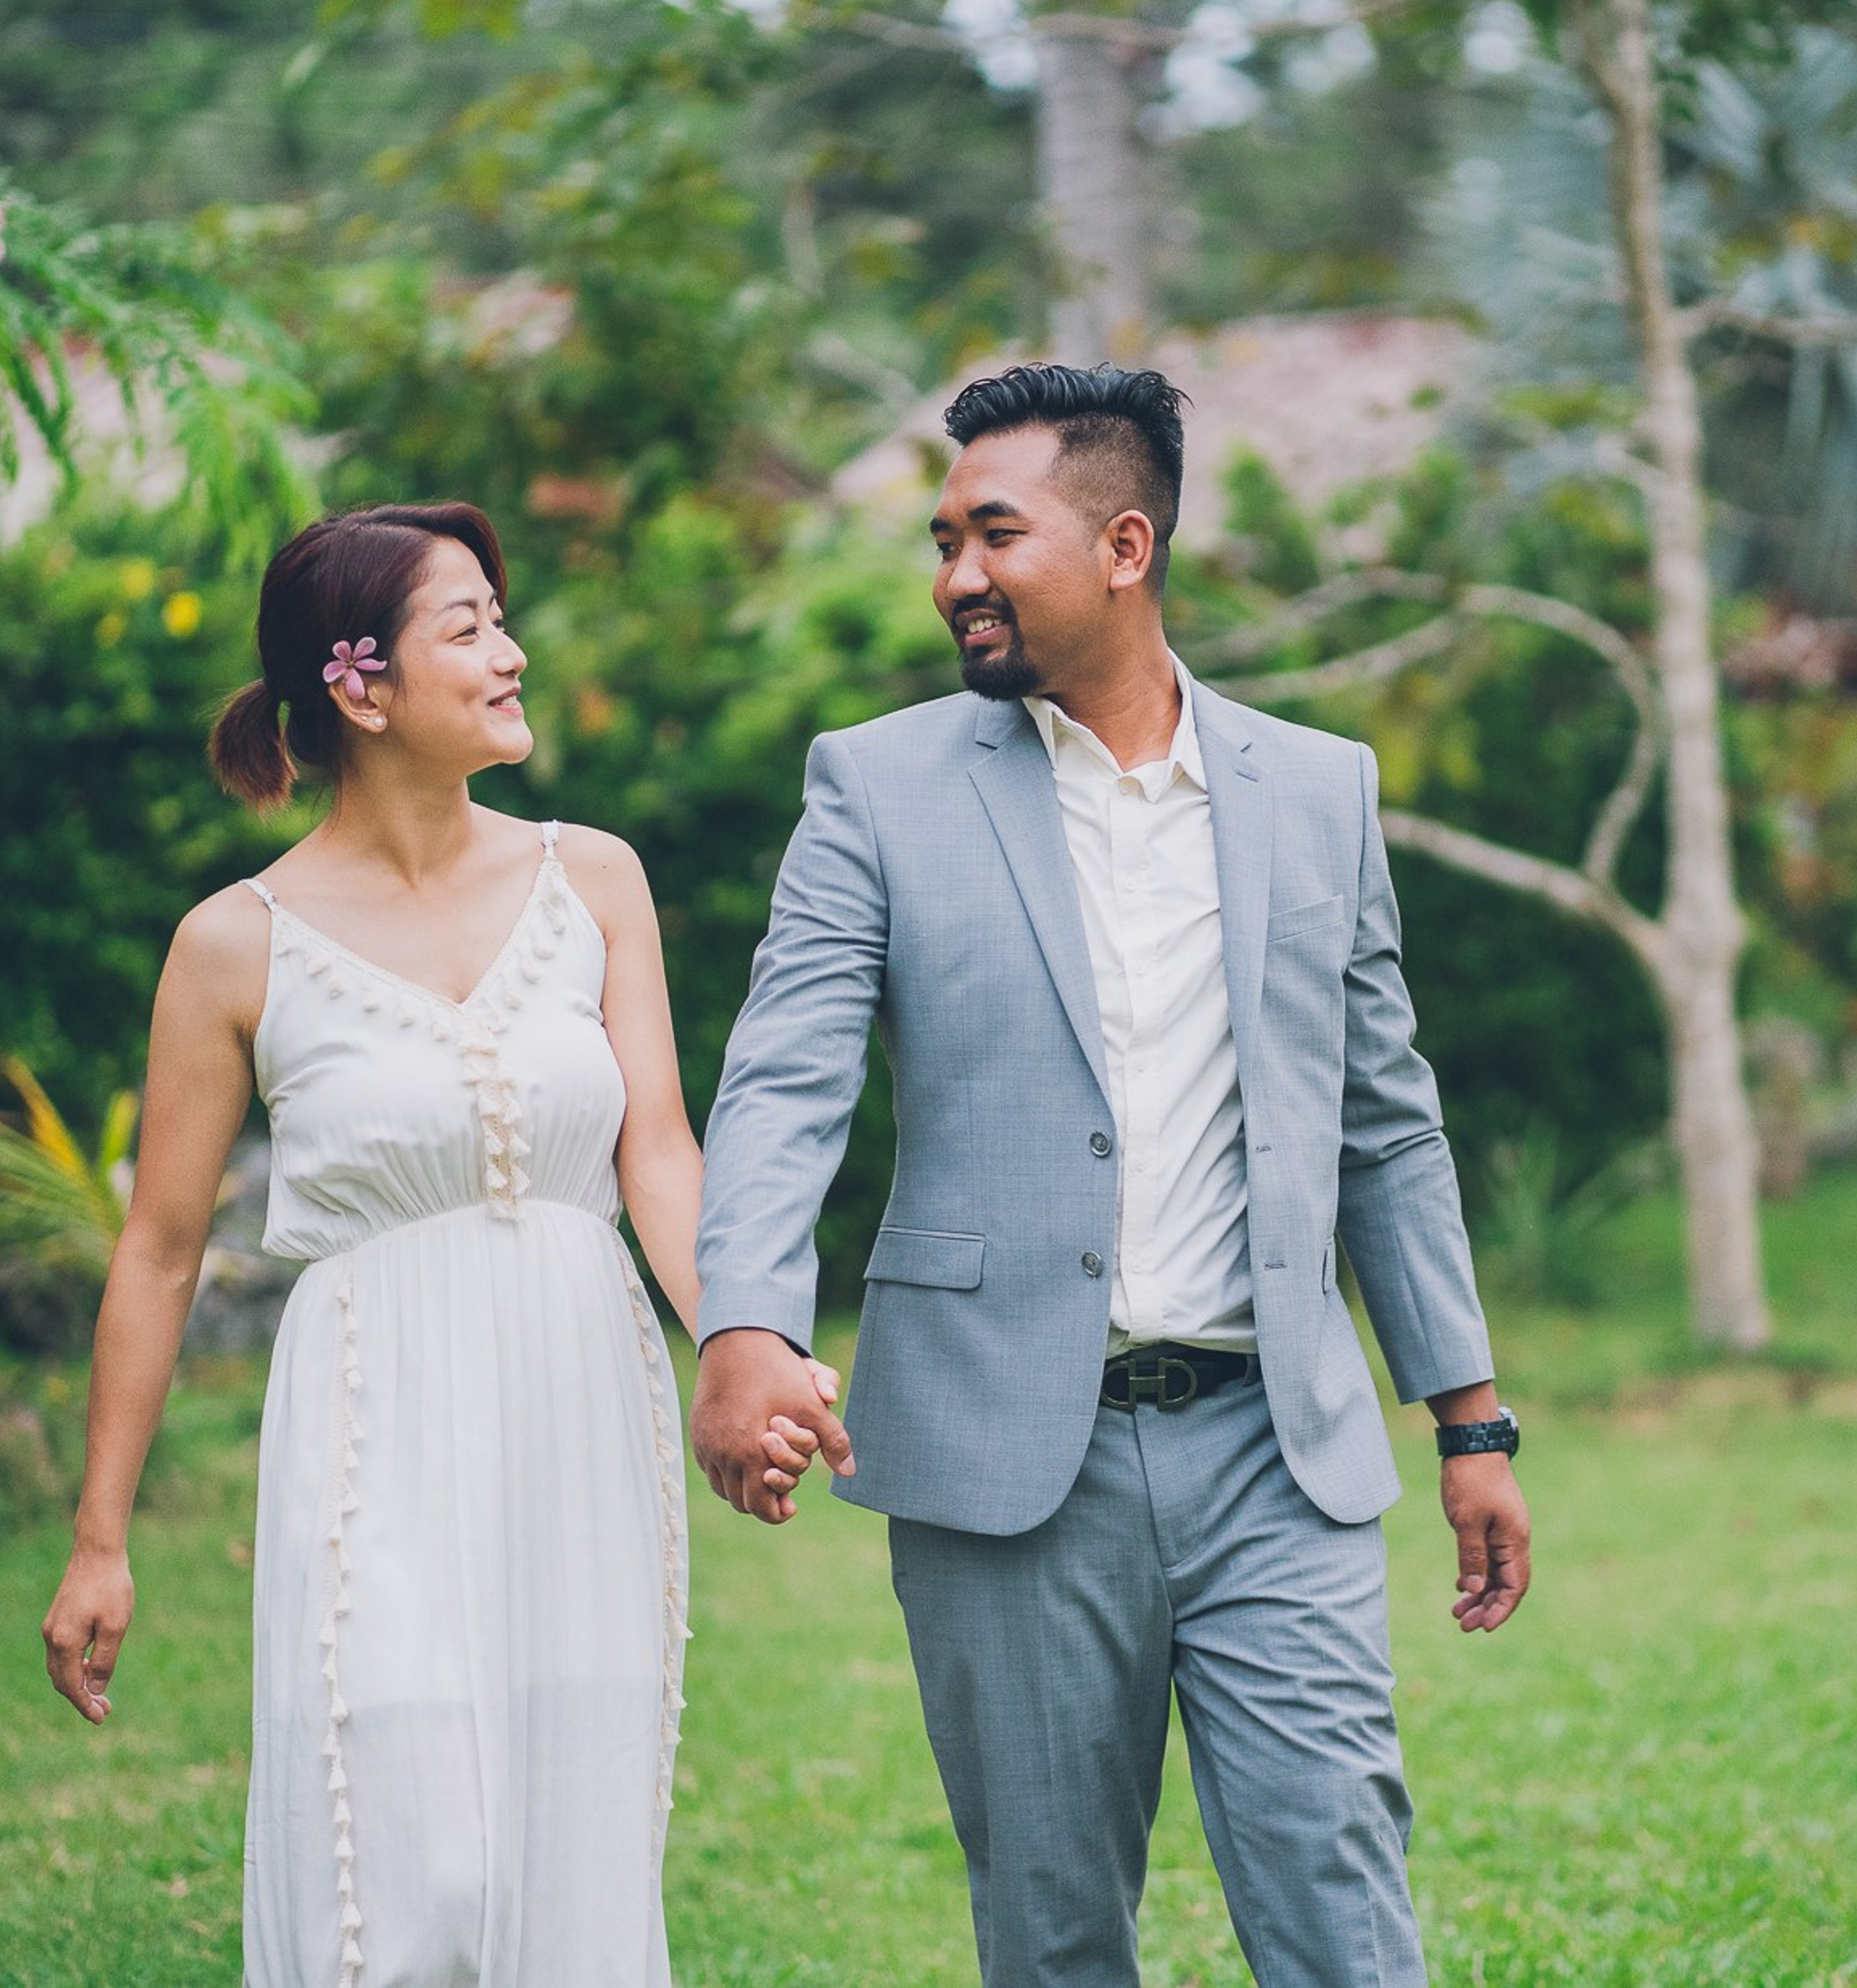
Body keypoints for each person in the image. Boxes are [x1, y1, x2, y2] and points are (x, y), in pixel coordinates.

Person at [691, 365, 1533, 1985]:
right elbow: (785, 1071)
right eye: (942, 539)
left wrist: (1470, 1415)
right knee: (1055, 1926)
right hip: (1005, 1460)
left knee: (1340, 1892)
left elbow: (1387, 1120)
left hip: (1273, 1451)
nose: (953, 576)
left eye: (993, 533)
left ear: (1125, 544)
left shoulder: (1317, 789)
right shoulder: (874, 786)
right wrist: (743, 1321)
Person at [39, 502, 815, 1988]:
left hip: (581, 1401)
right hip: (370, 1413)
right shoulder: (233, 944)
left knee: (571, 1842)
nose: (513, 653)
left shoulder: (595, 879)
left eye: (500, 617)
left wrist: (746, 1341)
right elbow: (157, 1252)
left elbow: (657, 1146)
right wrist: (100, 1540)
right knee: (405, 1869)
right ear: (361, 684)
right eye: (469, 627)